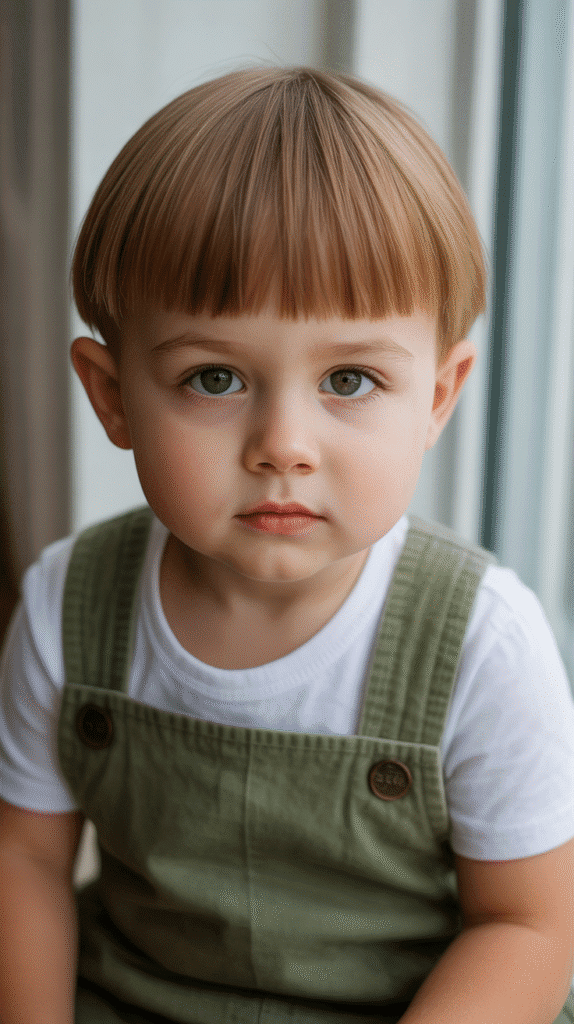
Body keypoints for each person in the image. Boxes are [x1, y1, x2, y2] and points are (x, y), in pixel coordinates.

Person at [0, 65, 573, 1024]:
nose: (283, 448)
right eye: (215, 378)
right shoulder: (69, 604)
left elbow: (529, 929)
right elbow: (25, 859)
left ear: (436, 395)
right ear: (112, 397)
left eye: (349, 381)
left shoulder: (482, 642)